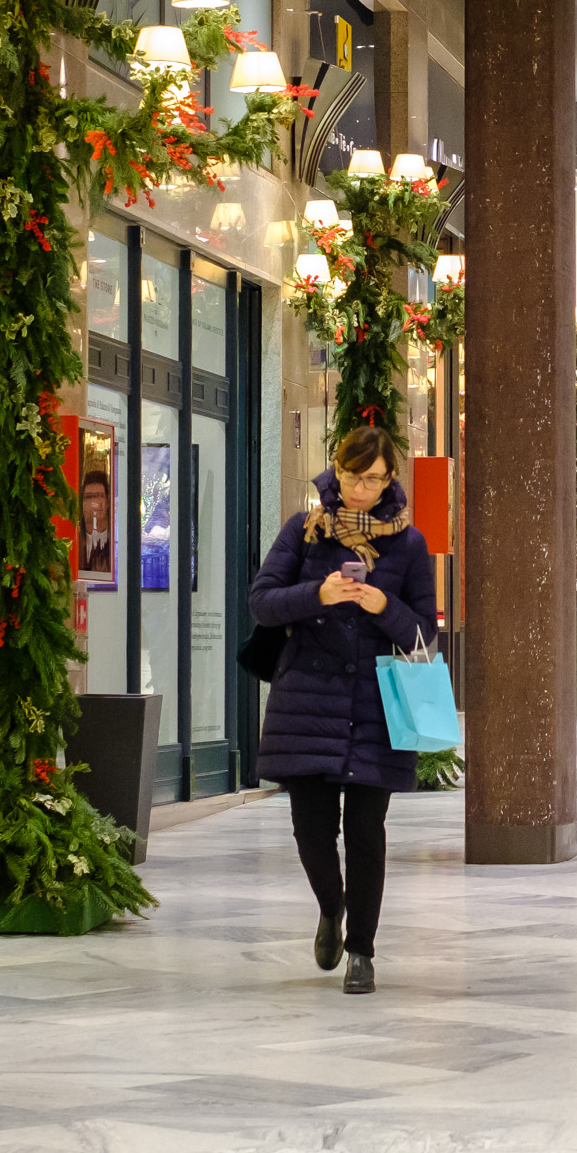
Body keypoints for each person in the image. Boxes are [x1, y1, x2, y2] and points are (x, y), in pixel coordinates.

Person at [249, 424, 435, 992]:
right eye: (354, 477)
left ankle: (362, 953)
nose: (362, 489)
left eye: (374, 480)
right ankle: (331, 908)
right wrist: (319, 594)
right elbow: (262, 602)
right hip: (308, 702)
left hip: (377, 706)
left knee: (365, 833)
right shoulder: (304, 531)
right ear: (337, 469)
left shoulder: (409, 545)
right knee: (311, 832)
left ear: (390, 478)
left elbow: (425, 634)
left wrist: (384, 607)